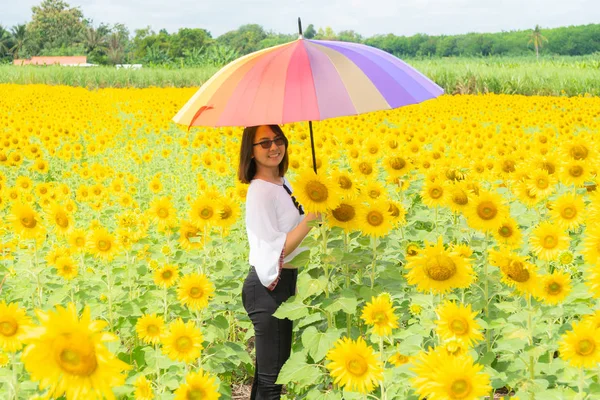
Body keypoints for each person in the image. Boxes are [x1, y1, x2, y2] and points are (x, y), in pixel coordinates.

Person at [237, 124, 319, 399]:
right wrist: (310, 220)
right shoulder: (260, 191)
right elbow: (276, 247)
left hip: (283, 284)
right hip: (267, 288)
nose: (274, 147)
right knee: (273, 381)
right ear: (250, 151)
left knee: (269, 376)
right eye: (264, 143)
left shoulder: (284, 183)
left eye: (278, 139)